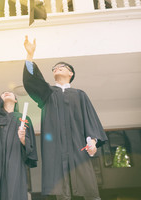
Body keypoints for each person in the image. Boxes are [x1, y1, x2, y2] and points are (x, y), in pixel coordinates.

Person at [22, 35, 108, 200]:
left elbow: (91, 121)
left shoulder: (80, 95)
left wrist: (93, 143)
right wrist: (29, 55)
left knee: (87, 189)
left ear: (71, 73)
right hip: (56, 150)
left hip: (78, 148)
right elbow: (32, 81)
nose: (56, 68)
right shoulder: (48, 94)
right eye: (54, 68)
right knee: (61, 192)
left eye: (61, 67)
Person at [0, 47, 38, 200]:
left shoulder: (23, 119)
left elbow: (30, 150)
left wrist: (22, 139)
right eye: (3, 93)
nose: (6, 92)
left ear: (15, 100)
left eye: (10, 93)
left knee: (13, 192)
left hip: (15, 160)